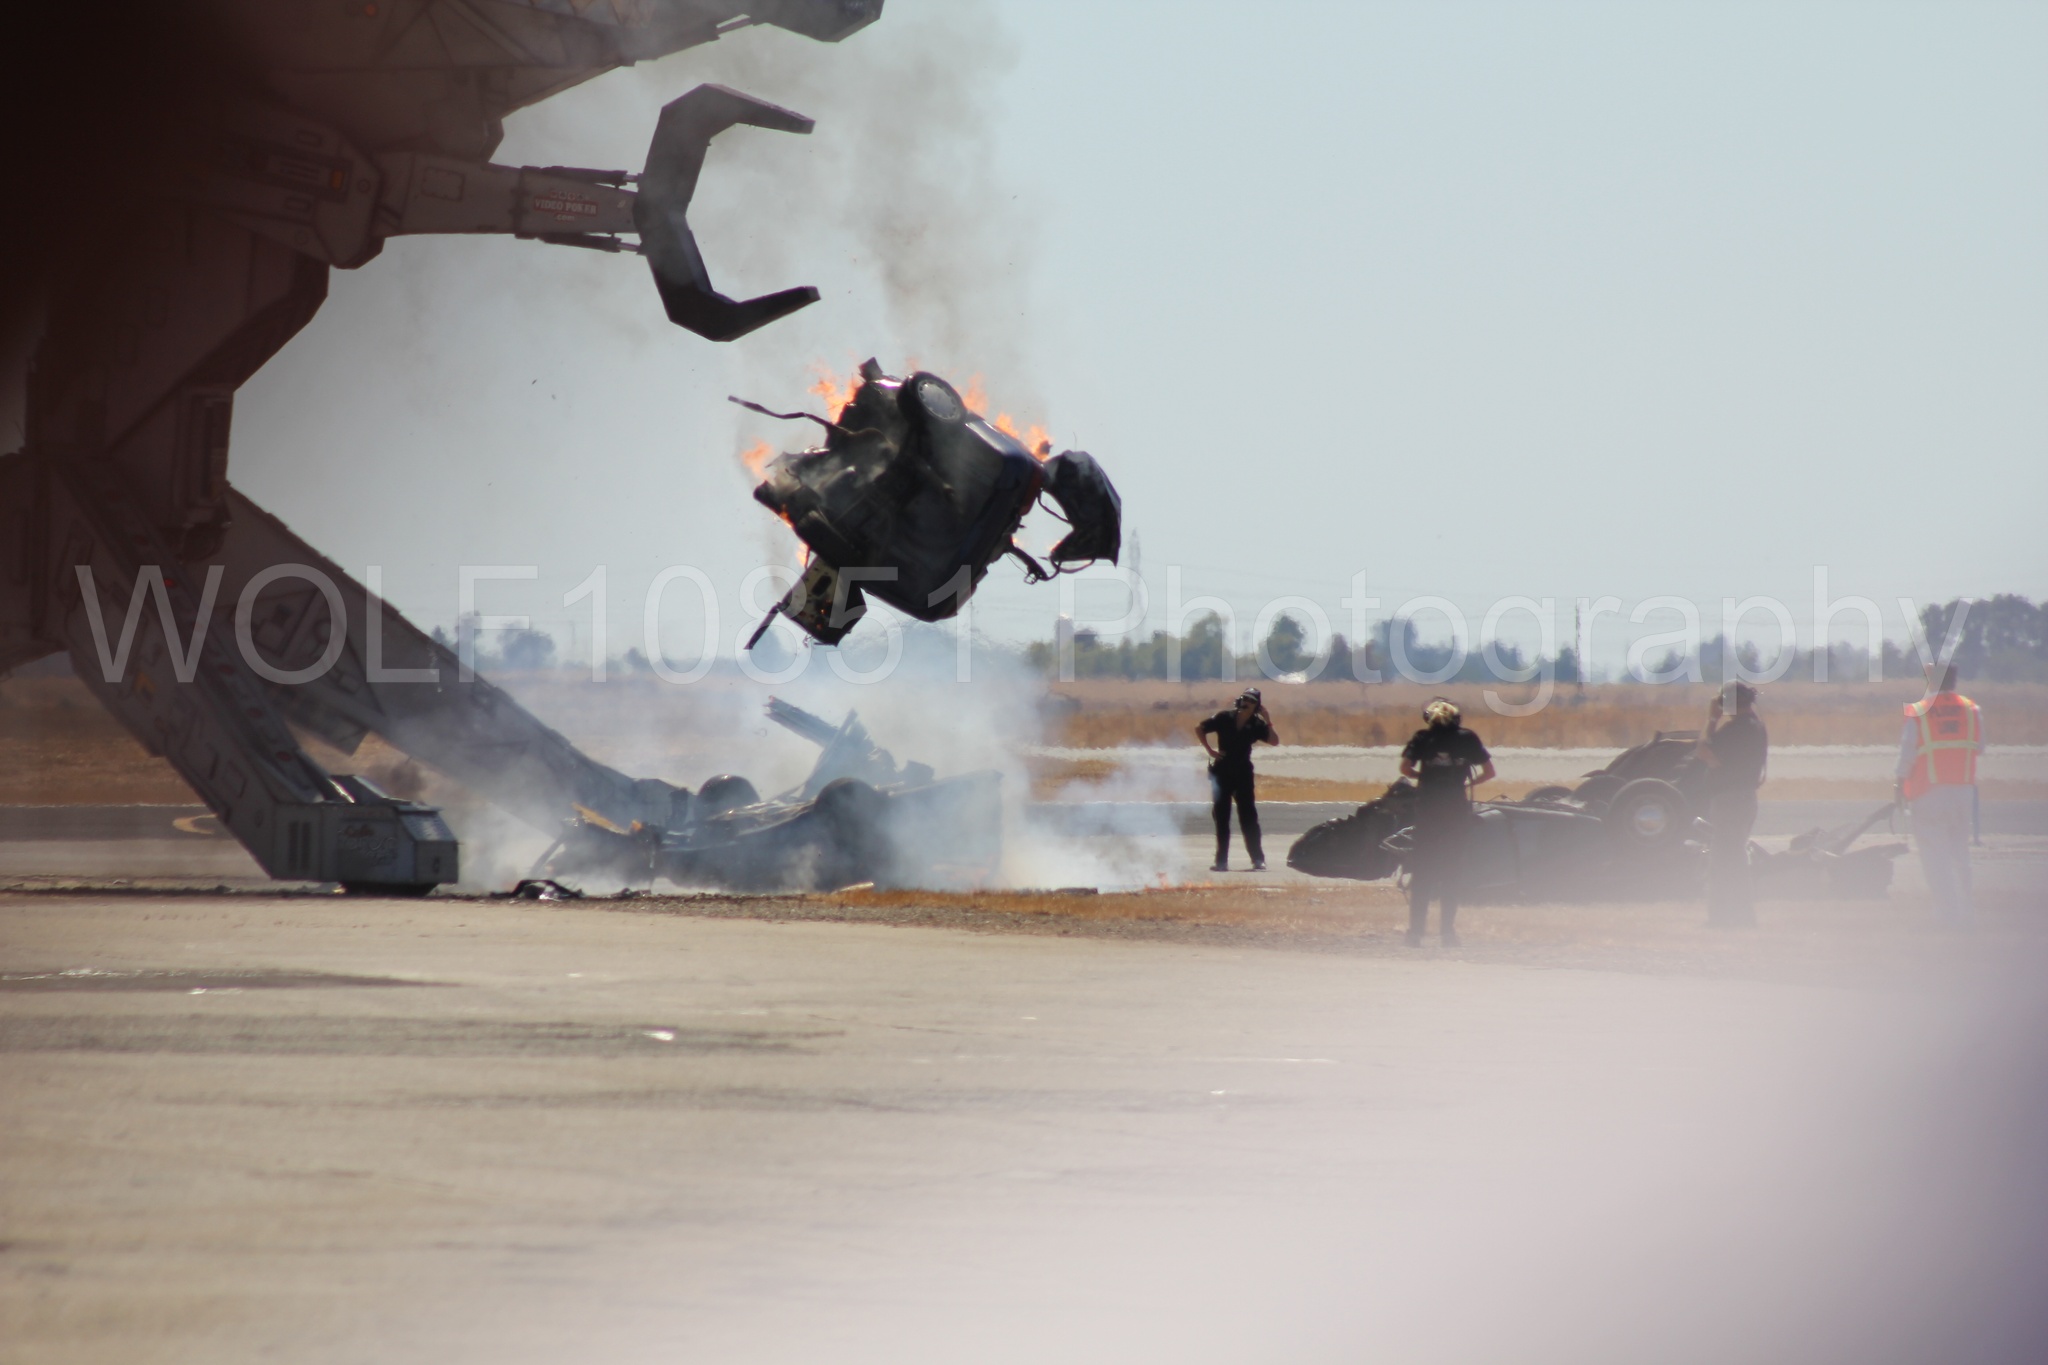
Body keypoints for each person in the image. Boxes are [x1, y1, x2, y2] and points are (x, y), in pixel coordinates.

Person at [1397, 698, 1495, 947]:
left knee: (1423, 873)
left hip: (1428, 812)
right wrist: (1464, 783)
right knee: (1451, 872)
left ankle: (1415, 933)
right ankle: (1447, 934)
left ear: (1429, 718)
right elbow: (1489, 772)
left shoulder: (1422, 738)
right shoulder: (1468, 738)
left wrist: (1426, 777)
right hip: (1455, 811)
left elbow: (1405, 768)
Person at [1896, 663, 1983, 924]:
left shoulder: (1919, 711)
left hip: (1928, 791)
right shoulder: (1971, 710)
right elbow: (1979, 747)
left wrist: (1898, 786)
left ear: (1930, 681)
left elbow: (1906, 755)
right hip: (1963, 791)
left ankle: (1946, 914)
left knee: (1935, 855)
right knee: (1960, 852)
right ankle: (1966, 913)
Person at [1695, 681, 1768, 927]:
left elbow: (1704, 750)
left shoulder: (1736, 730)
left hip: (1730, 800)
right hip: (1745, 798)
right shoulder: (1757, 727)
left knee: (1725, 859)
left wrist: (1711, 720)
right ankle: (1737, 914)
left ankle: (1727, 916)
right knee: (1733, 856)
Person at [1197, 688, 1278, 871]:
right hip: (1222, 773)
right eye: (1244, 698)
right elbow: (1200, 728)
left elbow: (1274, 741)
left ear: (1256, 706)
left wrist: (1268, 720)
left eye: (1250, 700)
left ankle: (1258, 859)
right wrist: (1210, 751)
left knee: (1248, 817)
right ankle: (1221, 861)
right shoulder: (1224, 718)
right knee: (1222, 817)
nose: (1246, 702)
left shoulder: (1256, 724)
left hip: (1243, 774)